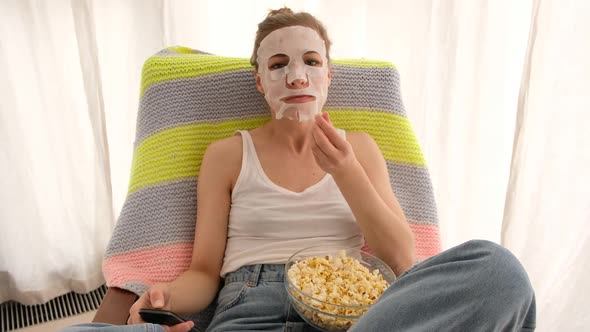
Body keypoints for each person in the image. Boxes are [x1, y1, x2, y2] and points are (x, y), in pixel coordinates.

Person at [61, 7, 535, 332]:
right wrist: (165, 296)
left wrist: (347, 172)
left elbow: (401, 257)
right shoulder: (226, 155)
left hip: (356, 311)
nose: (297, 76)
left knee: (498, 270)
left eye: (311, 62)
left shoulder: (362, 149)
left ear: (329, 76)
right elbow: (205, 272)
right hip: (251, 304)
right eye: (279, 64)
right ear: (260, 81)